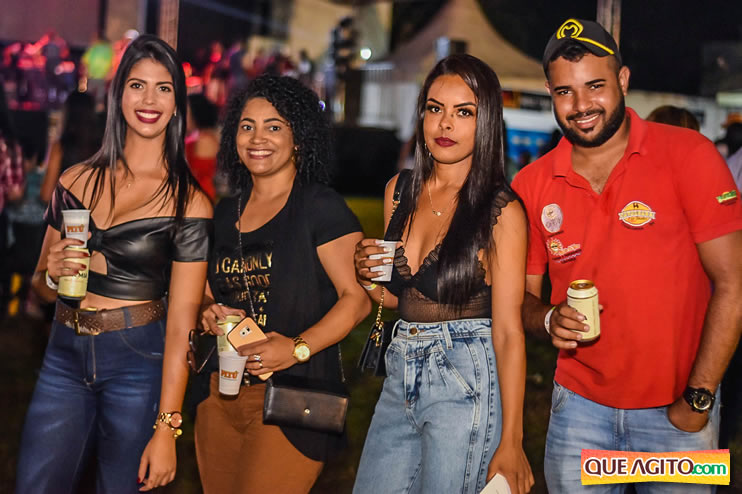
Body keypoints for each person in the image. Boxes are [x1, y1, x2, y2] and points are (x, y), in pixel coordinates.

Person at [512, 18, 742, 493]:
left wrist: (699, 398)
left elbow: (734, 284)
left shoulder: (690, 154)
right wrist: (548, 318)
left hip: (679, 419)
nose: (581, 106)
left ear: (622, 79)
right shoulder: (531, 183)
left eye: (594, 86)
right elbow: (520, 301)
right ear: (550, 93)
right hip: (578, 414)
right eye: (564, 92)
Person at [16, 35, 213, 493]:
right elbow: (39, 288)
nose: (149, 100)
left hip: (137, 361)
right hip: (63, 355)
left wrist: (167, 428)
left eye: (163, 88)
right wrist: (50, 275)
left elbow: (182, 324)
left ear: (177, 103)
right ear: (118, 93)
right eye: (137, 85)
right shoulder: (75, 180)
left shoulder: (189, 203)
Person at [353, 54, 534, 494]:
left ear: (486, 122)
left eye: (463, 112)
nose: (445, 123)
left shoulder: (501, 211)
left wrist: (512, 440)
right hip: (400, 368)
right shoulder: (400, 191)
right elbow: (399, 300)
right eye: (435, 108)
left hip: (466, 376)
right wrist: (367, 275)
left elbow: (509, 332)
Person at [194, 75, 370, 494]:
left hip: (292, 397)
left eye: (274, 127)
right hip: (220, 393)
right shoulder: (224, 213)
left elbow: (357, 299)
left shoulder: (320, 207)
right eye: (247, 126)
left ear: (299, 139)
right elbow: (206, 292)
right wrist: (207, 312)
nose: (258, 138)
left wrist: (295, 348)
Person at [39, 91, 102, 203]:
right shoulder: (104, 147)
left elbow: (46, 195)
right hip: (97, 211)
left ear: (67, 115)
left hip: (67, 211)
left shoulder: (60, 147)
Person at [185, 93, 219, 201]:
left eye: (186, 112)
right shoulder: (201, 137)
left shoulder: (205, 140)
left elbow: (198, 174)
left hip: (200, 195)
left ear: (196, 114)